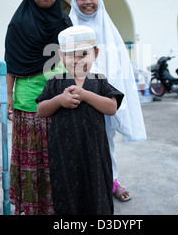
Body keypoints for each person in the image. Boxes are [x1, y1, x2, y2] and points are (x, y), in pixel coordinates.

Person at [69, 0, 147, 202]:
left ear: (99, 0)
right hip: (76, 90)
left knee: (105, 139)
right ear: (75, 2)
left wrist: (108, 90)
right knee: (76, 139)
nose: (87, 2)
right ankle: (83, 184)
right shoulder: (68, 26)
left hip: (103, 92)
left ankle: (111, 180)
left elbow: (118, 62)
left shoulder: (107, 26)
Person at [4, 0, 72, 215]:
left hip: (62, 98)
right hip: (28, 103)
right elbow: (11, 64)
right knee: (33, 159)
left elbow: (76, 59)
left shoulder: (64, 21)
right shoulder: (18, 23)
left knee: (58, 158)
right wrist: (9, 98)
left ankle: (59, 206)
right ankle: (34, 208)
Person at [36, 25, 124, 215]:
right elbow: (41, 110)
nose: (76, 60)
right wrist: (60, 100)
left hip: (95, 152)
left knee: (97, 192)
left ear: (96, 53)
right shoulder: (55, 82)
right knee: (67, 195)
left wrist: (84, 95)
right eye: (70, 55)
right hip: (63, 156)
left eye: (83, 54)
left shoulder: (99, 81)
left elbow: (111, 107)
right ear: (61, 55)